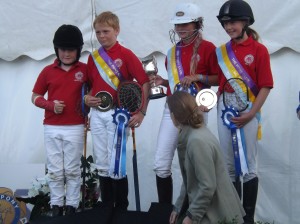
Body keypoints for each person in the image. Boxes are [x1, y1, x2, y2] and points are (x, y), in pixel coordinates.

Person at [150, 3, 218, 204]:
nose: (180, 29)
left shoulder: (209, 48)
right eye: (177, 24)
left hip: (196, 108)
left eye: (185, 24)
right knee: (161, 164)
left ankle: (191, 211)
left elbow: (217, 79)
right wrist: (163, 82)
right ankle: (166, 211)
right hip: (171, 110)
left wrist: (198, 75)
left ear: (197, 24)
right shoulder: (171, 53)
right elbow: (175, 84)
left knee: (194, 163)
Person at [83, 11, 150, 210]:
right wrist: (86, 99)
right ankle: (106, 207)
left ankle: (121, 207)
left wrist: (141, 112)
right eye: (98, 32)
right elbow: (87, 86)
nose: (102, 36)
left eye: (106, 31)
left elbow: (144, 83)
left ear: (117, 30)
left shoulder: (127, 54)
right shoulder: (93, 58)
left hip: (118, 116)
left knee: (116, 162)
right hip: (97, 114)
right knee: (102, 162)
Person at [216, 1, 274, 223]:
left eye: (232, 22)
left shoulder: (259, 50)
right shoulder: (221, 51)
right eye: (225, 23)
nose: (229, 27)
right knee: (228, 165)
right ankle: (233, 216)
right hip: (224, 109)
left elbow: (266, 85)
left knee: (249, 165)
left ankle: (248, 218)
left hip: (249, 109)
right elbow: (217, 81)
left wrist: (251, 114)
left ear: (245, 22)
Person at [31, 24, 87, 216]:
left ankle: (72, 205)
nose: (66, 54)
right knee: (55, 169)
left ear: (78, 50)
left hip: (76, 127)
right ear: (57, 49)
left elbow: (97, 93)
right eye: (63, 49)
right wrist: (50, 105)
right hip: (52, 127)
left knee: (72, 169)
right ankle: (56, 205)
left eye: (71, 50)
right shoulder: (47, 71)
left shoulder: (86, 70)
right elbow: (35, 97)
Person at [167, 91, 245, 224]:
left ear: (174, 116)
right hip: (213, 209)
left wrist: (191, 216)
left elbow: (208, 186)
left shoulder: (196, 141)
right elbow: (190, 180)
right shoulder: (196, 132)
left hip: (218, 215)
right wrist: (178, 207)